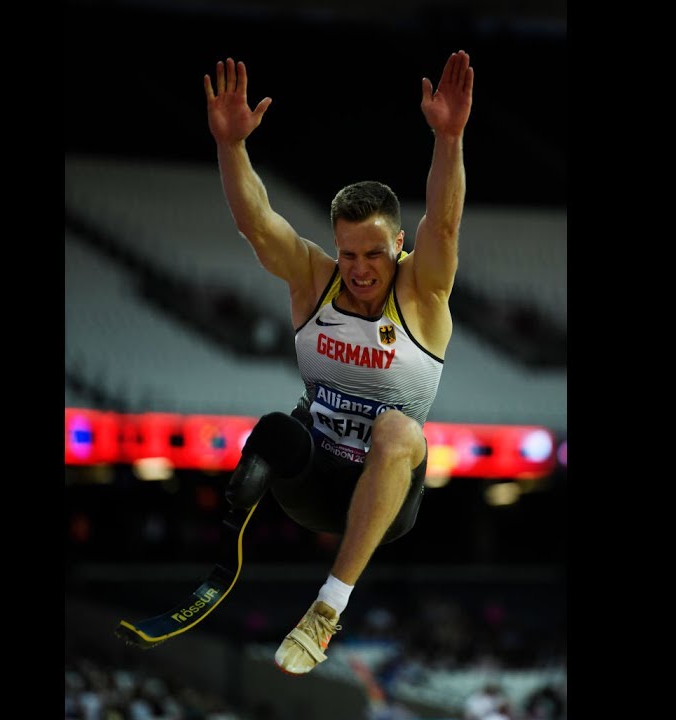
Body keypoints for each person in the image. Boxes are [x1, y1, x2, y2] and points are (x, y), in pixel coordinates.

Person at [202, 49, 473, 675]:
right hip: (317, 483)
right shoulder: (314, 280)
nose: (358, 269)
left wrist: (449, 138)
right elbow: (257, 223)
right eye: (348, 254)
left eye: (374, 254)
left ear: (398, 246)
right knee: (274, 426)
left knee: (400, 430)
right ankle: (228, 541)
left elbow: (448, 224)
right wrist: (230, 147)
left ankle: (327, 608)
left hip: (387, 496)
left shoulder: (422, 294)